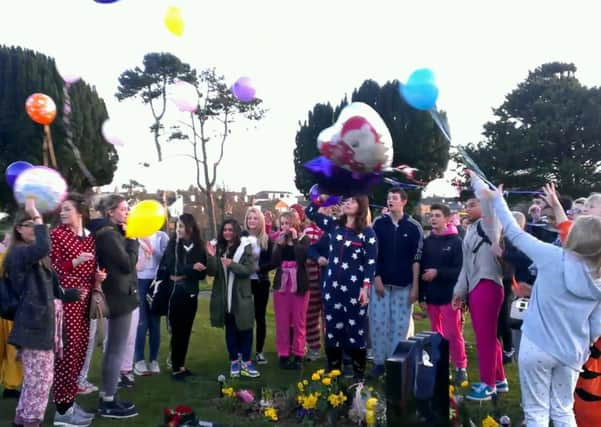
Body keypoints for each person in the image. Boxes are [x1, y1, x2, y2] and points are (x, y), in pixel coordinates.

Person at [477, 179, 601, 427]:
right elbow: (597, 324)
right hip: (572, 352)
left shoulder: (550, 256)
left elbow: (513, 231)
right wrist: (584, 345)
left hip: (537, 346)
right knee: (564, 411)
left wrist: (498, 200)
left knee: (536, 413)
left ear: (574, 235)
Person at [5, 199, 81, 427]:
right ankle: (30, 422)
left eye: (35, 223)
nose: (35, 227)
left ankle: (22, 421)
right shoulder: (19, 253)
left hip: (41, 325)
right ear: (18, 228)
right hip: (33, 327)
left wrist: (70, 294)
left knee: (34, 382)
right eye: (28, 224)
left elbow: (48, 290)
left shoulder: (35, 257)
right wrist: (36, 214)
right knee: (41, 382)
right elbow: (43, 246)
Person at [305, 196, 377, 380]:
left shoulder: (367, 234)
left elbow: (370, 264)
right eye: (345, 201)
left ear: (361, 207)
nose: (347, 203)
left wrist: (365, 289)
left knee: (355, 331)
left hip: (355, 290)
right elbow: (310, 212)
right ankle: (333, 372)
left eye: (352, 201)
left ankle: (358, 376)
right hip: (332, 288)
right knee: (332, 329)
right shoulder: (334, 226)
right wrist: (321, 198)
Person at [50, 194, 106, 426]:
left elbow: (92, 268)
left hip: (85, 303)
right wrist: (74, 263)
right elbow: (51, 270)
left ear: (79, 213)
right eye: (61, 210)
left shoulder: (90, 238)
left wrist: (98, 278)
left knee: (81, 353)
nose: (62, 214)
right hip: (67, 302)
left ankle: (70, 403)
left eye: (67, 209)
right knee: (68, 353)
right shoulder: (58, 235)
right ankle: (62, 411)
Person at [452, 185, 507, 401]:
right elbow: (466, 265)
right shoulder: (472, 229)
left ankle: (488, 385)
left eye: (472, 203)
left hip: (488, 284)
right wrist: (459, 291)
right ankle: (499, 378)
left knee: (484, 338)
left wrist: (482, 190)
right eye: (466, 205)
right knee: (488, 336)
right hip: (475, 285)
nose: (468, 208)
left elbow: (490, 209)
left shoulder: (490, 224)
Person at [92, 195, 139, 418]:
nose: (127, 213)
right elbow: (127, 264)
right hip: (118, 297)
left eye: (127, 209)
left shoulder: (110, 232)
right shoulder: (108, 235)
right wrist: (133, 239)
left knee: (114, 349)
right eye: (122, 209)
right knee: (116, 349)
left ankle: (107, 395)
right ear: (110, 211)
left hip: (118, 294)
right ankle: (108, 400)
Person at [369, 187, 423, 379]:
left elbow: (417, 259)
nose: (390, 201)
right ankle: (378, 362)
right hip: (381, 284)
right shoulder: (378, 224)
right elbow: (372, 253)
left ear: (403, 202)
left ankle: (396, 364)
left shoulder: (414, 227)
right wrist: (376, 278)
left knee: (400, 326)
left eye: (394, 198)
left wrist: (416, 287)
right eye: (388, 197)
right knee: (378, 323)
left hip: (404, 285)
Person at [419, 203, 466, 387]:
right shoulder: (427, 241)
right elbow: (423, 270)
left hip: (450, 295)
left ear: (447, 219)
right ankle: (440, 362)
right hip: (432, 297)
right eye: (432, 215)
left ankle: (460, 367)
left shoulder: (456, 242)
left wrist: (438, 272)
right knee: (436, 333)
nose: (433, 218)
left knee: (453, 333)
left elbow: (460, 270)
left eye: (437, 215)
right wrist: (422, 295)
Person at [157, 214, 207, 381]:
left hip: (191, 293)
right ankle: (176, 367)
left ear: (190, 228)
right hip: (175, 293)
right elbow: (172, 268)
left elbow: (202, 273)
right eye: (177, 226)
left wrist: (189, 271)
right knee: (177, 330)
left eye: (181, 226)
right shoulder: (173, 245)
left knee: (186, 330)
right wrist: (191, 268)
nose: (178, 229)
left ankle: (180, 365)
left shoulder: (199, 247)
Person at [207, 219, 259, 378]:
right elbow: (212, 271)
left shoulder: (245, 247)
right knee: (230, 330)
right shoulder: (219, 248)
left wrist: (232, 265)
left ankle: (247, 361)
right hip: (224, 296)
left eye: (230, 230)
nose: (227, 233)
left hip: (241, 296)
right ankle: (234, 361)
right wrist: (211, 256)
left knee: (246, 329)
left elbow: (249, 269)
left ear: (236, 231)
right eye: (225, 230)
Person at [272, 211, 310, 370]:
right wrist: (278, 246)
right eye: (282, 224)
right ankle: (283, 353)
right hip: (282, 285)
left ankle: (299, 354)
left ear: (294, 224)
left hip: (299, 285)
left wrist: (294, 240)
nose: (284, 227)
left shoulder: (303, 239)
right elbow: (275, 262)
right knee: (282, 321)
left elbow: (302, 259)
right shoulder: (279, 240)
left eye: (287, 223)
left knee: (299, 321)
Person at [133, 230, 169, 376]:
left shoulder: (161, 236)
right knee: (141, 322)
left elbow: (166, 258)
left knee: (155, 322)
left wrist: (151, 248)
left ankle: (153, 360)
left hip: (156, 282)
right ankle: (139, 360)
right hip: (139, 280)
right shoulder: (134, 234)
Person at [243, 207, 274, 365]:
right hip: (245, 283)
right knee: (245, 318)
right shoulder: (241, 238)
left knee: (260, 317)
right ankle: (244, 351)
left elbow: (273, 262)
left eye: (255, 218)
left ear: (260, 221)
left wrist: (259, 268)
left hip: (261, 282)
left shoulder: (266, 240)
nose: (252, 221)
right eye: (250, 218)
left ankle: (259, 352)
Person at [0, 231, 23, 401]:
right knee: (12, 349)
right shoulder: (12, 256)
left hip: (8, 309)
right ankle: (11, 385)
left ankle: (11, 386)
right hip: (9, 309)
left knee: (11, 348)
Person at [302, 207, 326, 362]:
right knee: (312, 316)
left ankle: (325, 348)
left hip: (325, 279)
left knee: (326, 318)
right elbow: (308, 255)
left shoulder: (328, 230)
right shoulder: (310, 231)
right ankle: (315, 347)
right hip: (314, 280)